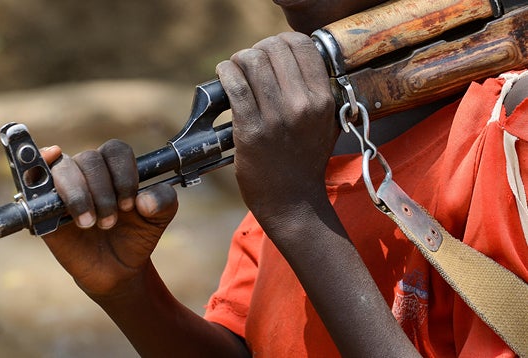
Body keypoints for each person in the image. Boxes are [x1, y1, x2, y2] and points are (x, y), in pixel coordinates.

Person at [39, 0, 528, 356]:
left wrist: (298, 212)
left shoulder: (511, 138)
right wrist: (128, 292)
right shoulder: (304, 137)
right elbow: (257, 345)